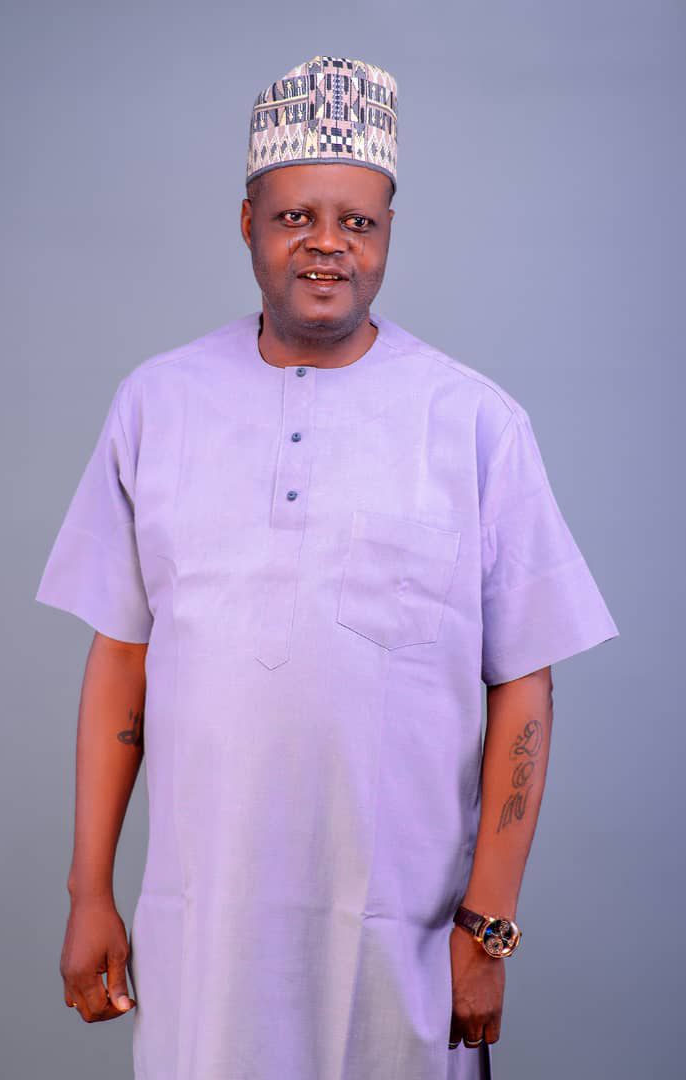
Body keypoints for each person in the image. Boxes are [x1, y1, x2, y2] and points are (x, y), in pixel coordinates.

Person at [35, 55, 620, 1080]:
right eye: (294, 216)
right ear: (247, 222)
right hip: (200, 937)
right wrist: (89, 891)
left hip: (401, 943)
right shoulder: (157, 404)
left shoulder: (472, 422)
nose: (326, 244)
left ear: (388, 232)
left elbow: (523, 683)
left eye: (357, 221)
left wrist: (487, 931)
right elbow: (122, 659)